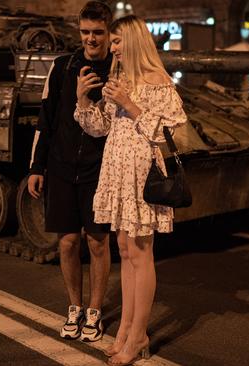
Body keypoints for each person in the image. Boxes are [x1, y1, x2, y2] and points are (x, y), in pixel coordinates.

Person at [74, 15, 187, 365]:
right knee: (124, 249)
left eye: (119, 40)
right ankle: (125, 329)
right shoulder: (119, 79)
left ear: (135, 42)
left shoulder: (159, 82)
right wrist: (82, 101)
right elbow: (100, 127)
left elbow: (172, 133)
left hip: (142, 177)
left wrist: (130, 103)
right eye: (114, 41)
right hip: (117, 173)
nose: (113, 46)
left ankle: (138, 335)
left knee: (140, 253)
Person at [27, 1, 113, 342]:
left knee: (97, 242)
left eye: (98, 32)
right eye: (85, 32)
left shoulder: (117, 72)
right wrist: (36, 166)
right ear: (79, 31)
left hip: (98, 170)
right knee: (66, 243)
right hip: (61, 166)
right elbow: (45, 119)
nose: (91, 39)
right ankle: (74, 308)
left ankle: (94, 312)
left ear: (108, 32)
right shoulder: (62, 67)